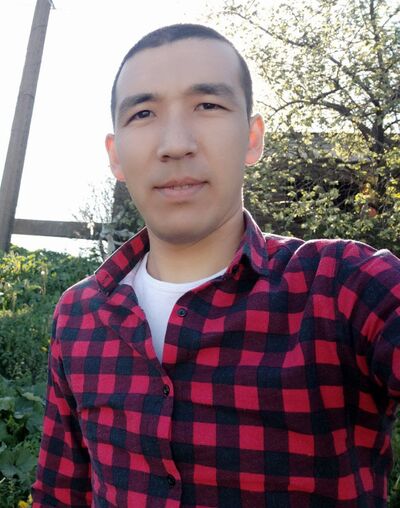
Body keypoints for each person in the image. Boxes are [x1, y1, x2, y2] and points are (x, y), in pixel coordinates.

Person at [32, 23, 400, 508]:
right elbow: (60, 495)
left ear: (252, 139)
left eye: (207, 105)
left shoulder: (344, 287)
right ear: (116, 155)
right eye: (143, 113)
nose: (175, 143)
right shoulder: (79, 314)